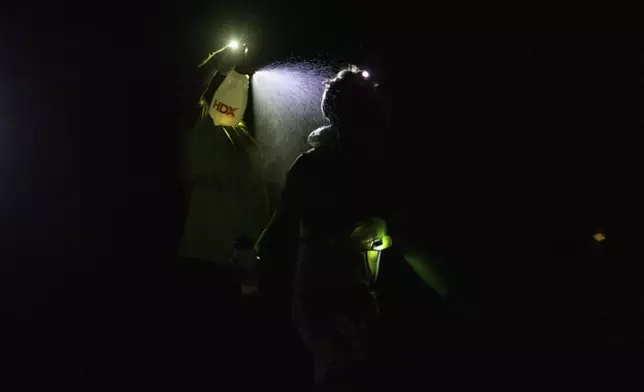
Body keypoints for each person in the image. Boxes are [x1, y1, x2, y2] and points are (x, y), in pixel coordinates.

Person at [255, 66, 446, 391]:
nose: (377, 111)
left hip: (355, 302)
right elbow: (276, 236)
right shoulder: (317, 167)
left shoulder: (363, 166)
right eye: (367, 103)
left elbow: (272, 238)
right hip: (323, 303)